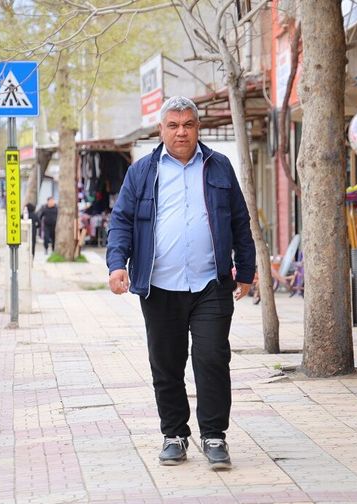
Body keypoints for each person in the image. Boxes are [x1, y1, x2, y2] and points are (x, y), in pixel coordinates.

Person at [106, 96, 255, 470]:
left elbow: (240, 220)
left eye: (188, 124)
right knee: (167, 364)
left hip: (211, 283)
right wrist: (116, 265)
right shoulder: (142, 171)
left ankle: (214, 436)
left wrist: (248, 271)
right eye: (173, 125)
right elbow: (121, 221)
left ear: (198, 127)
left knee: (212, 359)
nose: (181, 132)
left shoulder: (219, 167)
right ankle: (174, 435)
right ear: (162, 129)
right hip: (159, 286)